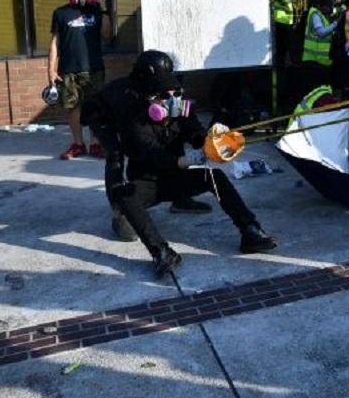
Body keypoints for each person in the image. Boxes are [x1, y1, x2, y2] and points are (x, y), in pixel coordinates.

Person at [83, 50, 277, 279]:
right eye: (164, 94)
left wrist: (213, 143)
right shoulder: (132, 116)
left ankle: (250, 231)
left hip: (173, 178)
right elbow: (154, 154)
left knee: (214, 177)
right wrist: (188, 160)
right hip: (146, 179)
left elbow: (195, 135)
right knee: (123, 188)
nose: (172, 98)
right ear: (150, 99)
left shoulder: (181, 109)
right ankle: (160, 250)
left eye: (174, 91)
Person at [49, 0, 111, 160]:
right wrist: (51, 70)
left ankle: (95, 143)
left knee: (96, 109)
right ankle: (77, 144)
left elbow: (107, 35)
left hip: (94, 68)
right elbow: (54, 43)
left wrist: (103, 7)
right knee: (73, 108)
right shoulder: (61, 13)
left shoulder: (96, 12)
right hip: (69, 69)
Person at [298, 0, 337, 97]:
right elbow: (321, 33)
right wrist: (335, 24)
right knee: (317, 91)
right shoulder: (315, 14)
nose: (330, 5)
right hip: (315, 61)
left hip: (319, 61)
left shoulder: (319, 14)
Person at [271, 0, 299, 69]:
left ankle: (285, 64)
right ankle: (281, 66)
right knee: (282, 45)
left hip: (286, 20)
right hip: (281, 20)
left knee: (286, 44)